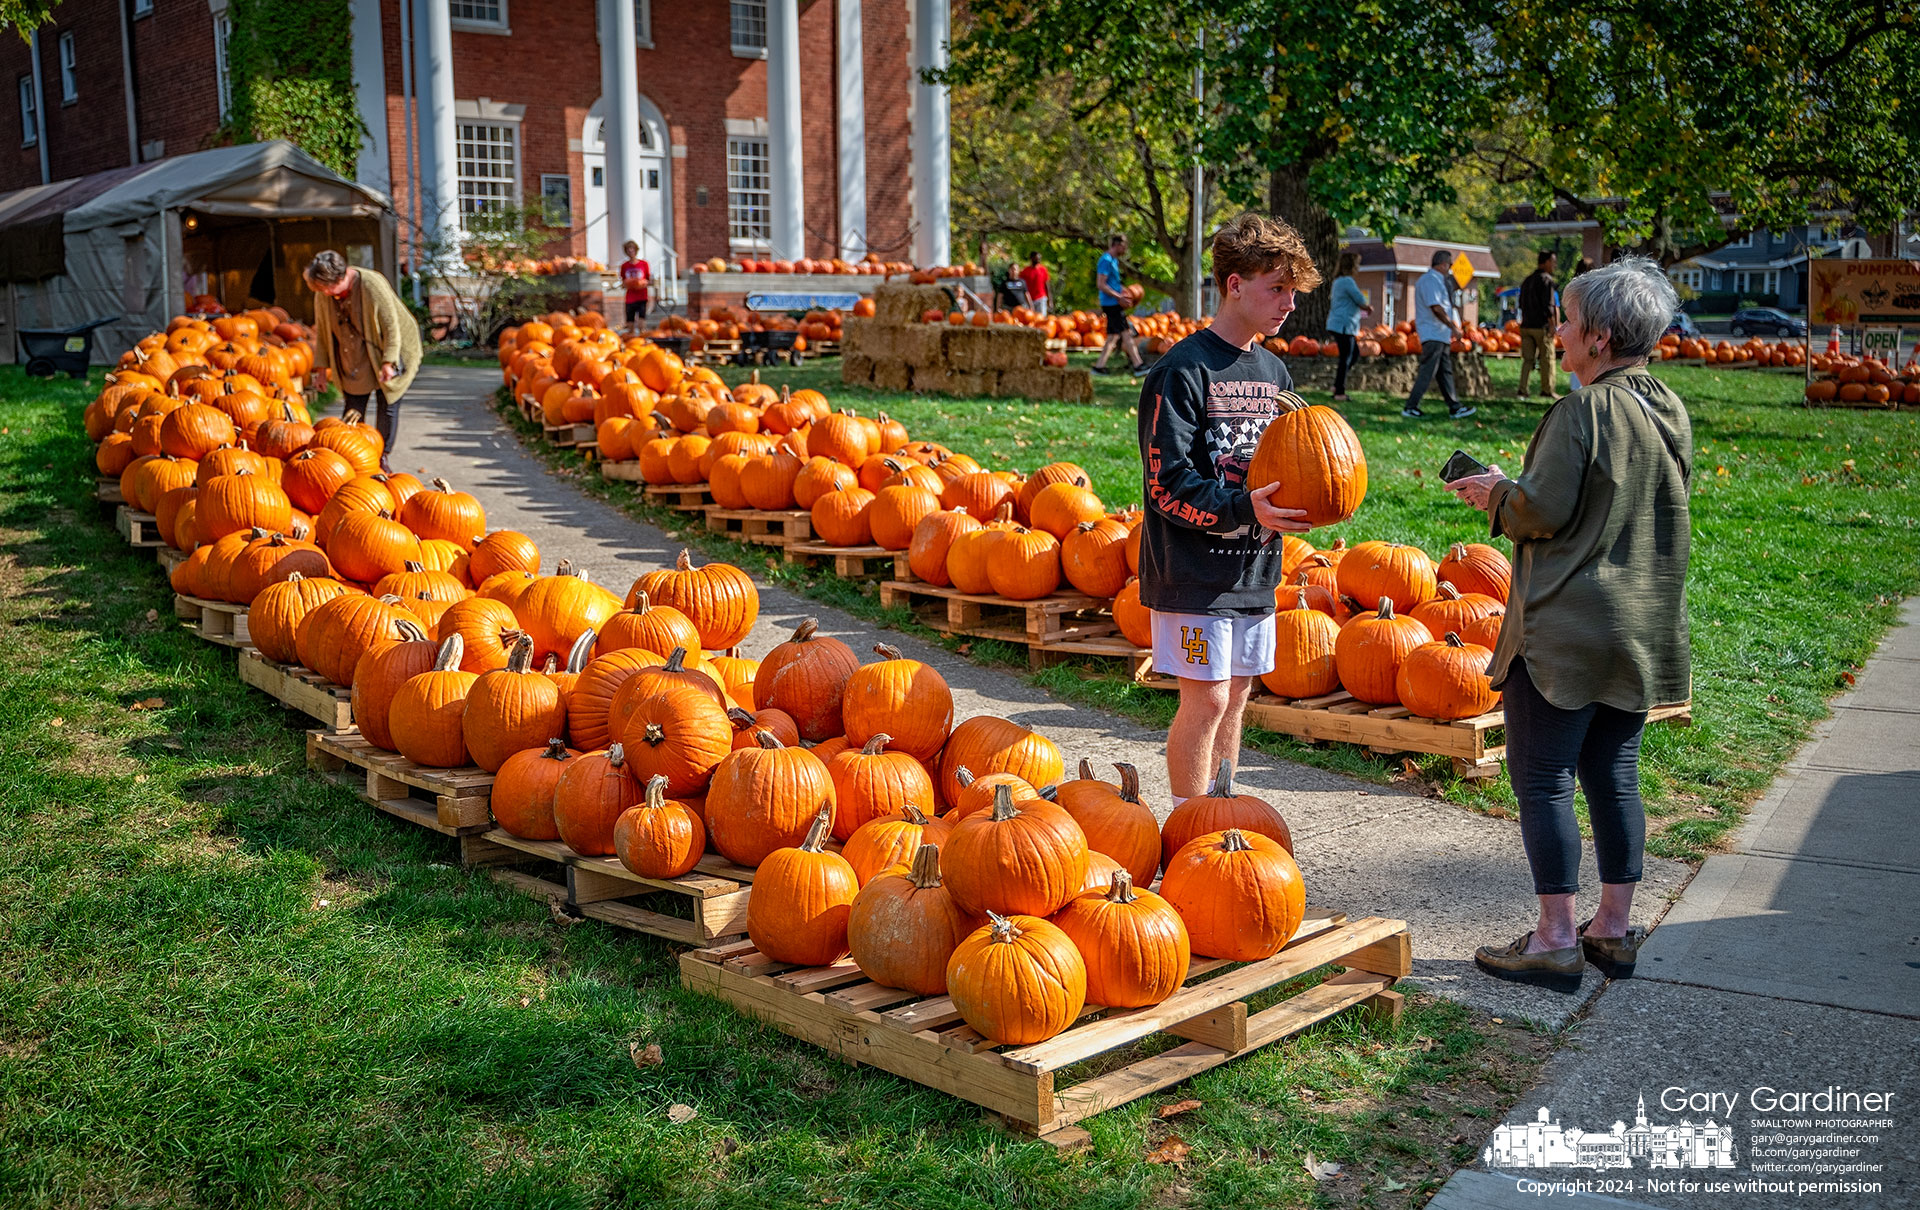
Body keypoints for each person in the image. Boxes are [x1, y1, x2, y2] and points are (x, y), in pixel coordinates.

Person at [1445, 256, 1693, 992]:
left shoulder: (1581, 410)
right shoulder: (1669, 407)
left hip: (1565, 630)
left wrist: (1494, 493)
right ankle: (1612, 929)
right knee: (1615, 774)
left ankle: (1554, 938)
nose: (1557, 333)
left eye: (1568, 321)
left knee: (1544, 779)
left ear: (1601, 337)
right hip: (1642, 626)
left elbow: (1540, 511)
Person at [1137, 212, 1320, 806]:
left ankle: (1221, 809)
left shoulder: (1274, 373)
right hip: (1193, 572)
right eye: (1277, 288)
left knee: (1237, 694)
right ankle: (1190, 824)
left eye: (1293, 291)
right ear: (1234, 284)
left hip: (1255, 571)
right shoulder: (1181, 370)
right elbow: (1167, 484)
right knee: (1208, 698)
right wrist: (1246, 508)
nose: (1288, 304)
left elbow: (1292, 462)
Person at [305, 251, 422, 472]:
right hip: (355, 351)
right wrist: (321, 369)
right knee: (353, 403)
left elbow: (392, 328)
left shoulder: (371, 284)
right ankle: (349, 457)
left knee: (387, 401)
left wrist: (389, 362)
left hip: (390, 347)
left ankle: (381, 458)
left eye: (325, 288)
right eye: (319, 289)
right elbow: (322, 333)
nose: (323, 293)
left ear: (339, 278)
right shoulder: (323, 293)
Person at [1403, 249, 1475, 420]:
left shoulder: (1438, 281)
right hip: (1432, 332)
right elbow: (1436, 307)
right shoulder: (1430, 281)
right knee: (1428, 371)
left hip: (1440, 334)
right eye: (1449, 265)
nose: (1450, 269)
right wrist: (1453, 327)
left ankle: (1455, 407)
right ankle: (1410, 407)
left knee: (1445, 372)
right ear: (1443, 264)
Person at [1093, 234, 1146, 377]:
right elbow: (1101, 284)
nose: (1125, 249)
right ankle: (1138, 365)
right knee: (1126, 333)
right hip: (1111, 304)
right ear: (1117, 244)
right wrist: (1119, 297)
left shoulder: (1114, 261)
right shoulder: (1106, 260)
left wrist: (1125, 292)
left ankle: (1099, 366)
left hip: (1114, 302)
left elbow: (1113, 284)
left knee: (1113, 336)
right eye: (1124, 246)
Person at [1325, 250, 1372, 402]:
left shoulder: (1338, 281)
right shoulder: (1347, 281)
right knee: (1346, 357)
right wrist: (1367, 307)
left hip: (1338, 323)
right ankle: (1339, 392)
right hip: (1344, 324)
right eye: (1357, 264)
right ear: (1351, 266)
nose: (1359, 267)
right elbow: (1359, 299)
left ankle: (1337, 384)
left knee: (1353, 354)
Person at [1516, 250, 1561, 398]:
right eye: (1553, 262)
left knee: (1527, 360)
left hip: (1526, 325)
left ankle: (1523, 389)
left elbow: (1521, 304)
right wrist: (1553, 326)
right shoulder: (1547, 280)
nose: (1554, 265)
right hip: (1541, 327)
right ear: (1546, 262)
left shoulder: (1527, 280)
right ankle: (1547, 390)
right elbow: (1549, 306)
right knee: (1547, 359)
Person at [1566, 257, 1594, 389]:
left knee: (1576, 357)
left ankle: (1576, 387)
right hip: (1588, 328)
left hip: (1575, 327)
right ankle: (1585, 385)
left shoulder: (1572, 287)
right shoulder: (1593, 289)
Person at [619, 241, 651, 334]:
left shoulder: (644, 264)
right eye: (628, 249)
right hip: (630, 297)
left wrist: (641, 283)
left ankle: (642, 338)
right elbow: (623, 281)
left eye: (632, 249)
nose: (630, 251)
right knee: (630, 321)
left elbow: (648, 280)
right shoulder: (624, 266)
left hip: (642, 296)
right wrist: (629, 284)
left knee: (642, 319)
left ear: (636, 250)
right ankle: (631, 340)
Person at [1018, 252, 1052, 317]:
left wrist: (1049, 300)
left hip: (1041, 298)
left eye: (1039, 258)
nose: (1038, 260)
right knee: (1029, 318)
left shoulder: (1043, 270)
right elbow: (1021, 286)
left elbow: (1047, 285)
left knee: (1041, 318)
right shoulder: (1025, 271)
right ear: (1031, 258)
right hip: (1029, 299)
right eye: (1036, 258)